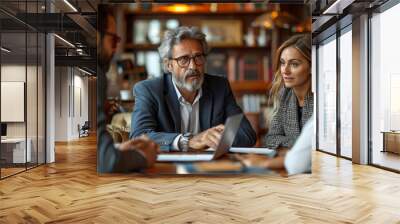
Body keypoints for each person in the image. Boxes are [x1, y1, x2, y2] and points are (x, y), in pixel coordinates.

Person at [130, 26, 256, 152]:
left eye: (198, 57)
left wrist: (213, 138)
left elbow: (247, 135)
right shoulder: (149, 90)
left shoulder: (219, 87)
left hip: (210, 167)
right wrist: (188, 141)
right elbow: (139, 137)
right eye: (184, 59)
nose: (193, 66)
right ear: (169, 65)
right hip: (166, 167)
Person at [97, 5, 158, 173]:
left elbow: (102, 154)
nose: (115, 48)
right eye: (113, 40)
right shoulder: (97, 76)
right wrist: (144, 157)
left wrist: (116, 150)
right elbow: (106, 162)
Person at [264, 34, 313, 154]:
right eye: (282, 63)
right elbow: (271, 139)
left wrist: (288, 145)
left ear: (312, 66)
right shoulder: (284, 95)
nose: (285, 70)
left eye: (294, 64)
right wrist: (302, 145)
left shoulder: (322, 99)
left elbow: (317, 145)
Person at [236, 114, 313, 176]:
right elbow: (271, 139)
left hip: (300, 175)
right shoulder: (285, 100)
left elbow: (296, 164)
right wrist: (298, 147)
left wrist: (264, 162)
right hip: (285, 163)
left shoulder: (317, 111)